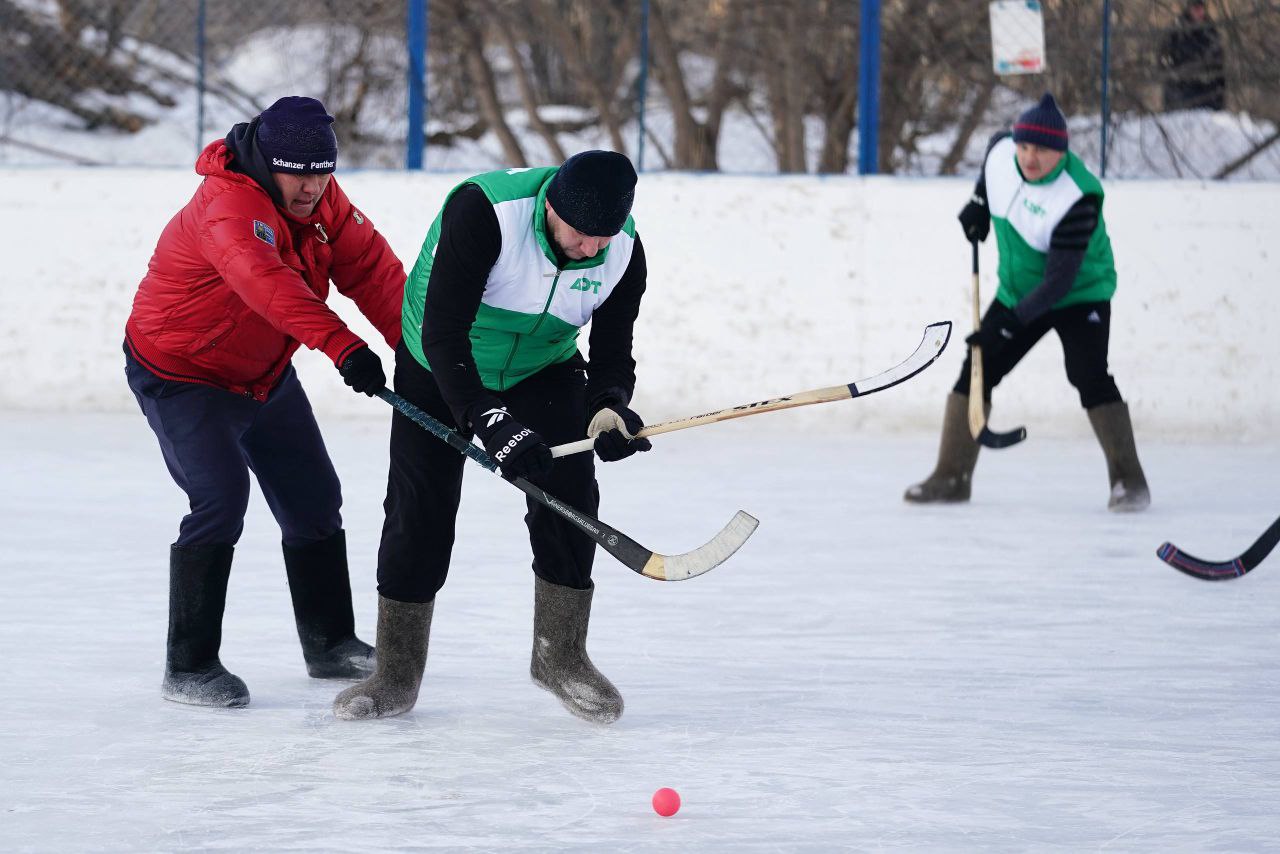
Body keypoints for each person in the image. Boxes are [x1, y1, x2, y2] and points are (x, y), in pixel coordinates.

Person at [333, 150, 652, 724]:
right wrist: (487, 418)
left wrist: (608, 408)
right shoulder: (485, 213)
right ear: (551, 205)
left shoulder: (622, 249)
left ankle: (561, 656)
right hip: (438, 364)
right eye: (581, 235)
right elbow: (444, 331)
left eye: (603, 237)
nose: (591, 250)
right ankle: (396, 672)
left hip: (541, 366)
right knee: (420, 508)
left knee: (570, 493)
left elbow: (611, 350)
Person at [124, 96, 407, 708]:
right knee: (220, 499)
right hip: (183, 373)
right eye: (297, 174)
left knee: (313, 497)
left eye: (322, 173)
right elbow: (268, 286)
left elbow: (373, 270)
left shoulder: (320, 199)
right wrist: (344, 348)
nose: (311, 188)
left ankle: (330, 643)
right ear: (265, 162)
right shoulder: (228, 208)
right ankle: (189, 665)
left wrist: (419, 354)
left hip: (261, 373)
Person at [904, 93, 1151, 512]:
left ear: (1062, 151)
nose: (1030, 157)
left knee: (1088, 375)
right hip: (1017, 288)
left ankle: (1129, 482)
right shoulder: (1004, 154)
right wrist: (980, 202)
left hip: (1078, 292)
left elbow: (1058, 282)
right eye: (1025, 146)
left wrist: (1008, 324)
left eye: (1043, 149)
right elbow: (996, 145)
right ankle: (951, 477)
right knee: (979, 368)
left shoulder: (1078, 197)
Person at [1160, 0, 1226, 112]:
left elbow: (1219, 64)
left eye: (1201, 8)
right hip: (1182, 92)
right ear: (1189, 9)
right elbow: (1164, 59)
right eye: (1196, 8)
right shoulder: (1177, 31)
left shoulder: (1211, 32)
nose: (1199, 12)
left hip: (1208, 95)